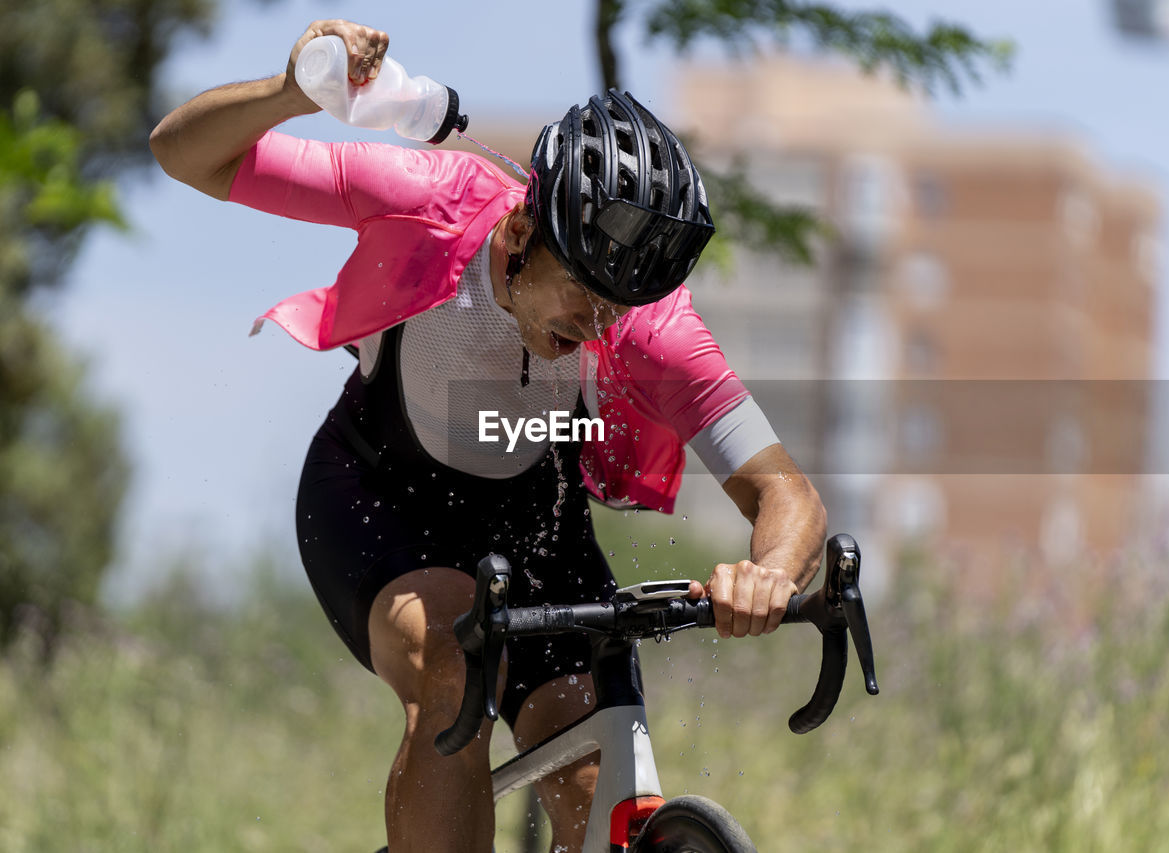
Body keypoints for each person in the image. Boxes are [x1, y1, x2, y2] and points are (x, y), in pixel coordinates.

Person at [150, 18, 827, 853]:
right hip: (380, 503)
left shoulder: (650, 327)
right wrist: (291, 93)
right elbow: (184, 153)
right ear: (516, 235)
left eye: (619, 307)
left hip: (537, 523)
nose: (599, 325)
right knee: (455, 669)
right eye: (582, 295)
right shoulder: (425, 199)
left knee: (600, 783)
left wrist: (768, 572)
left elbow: (784, 491)